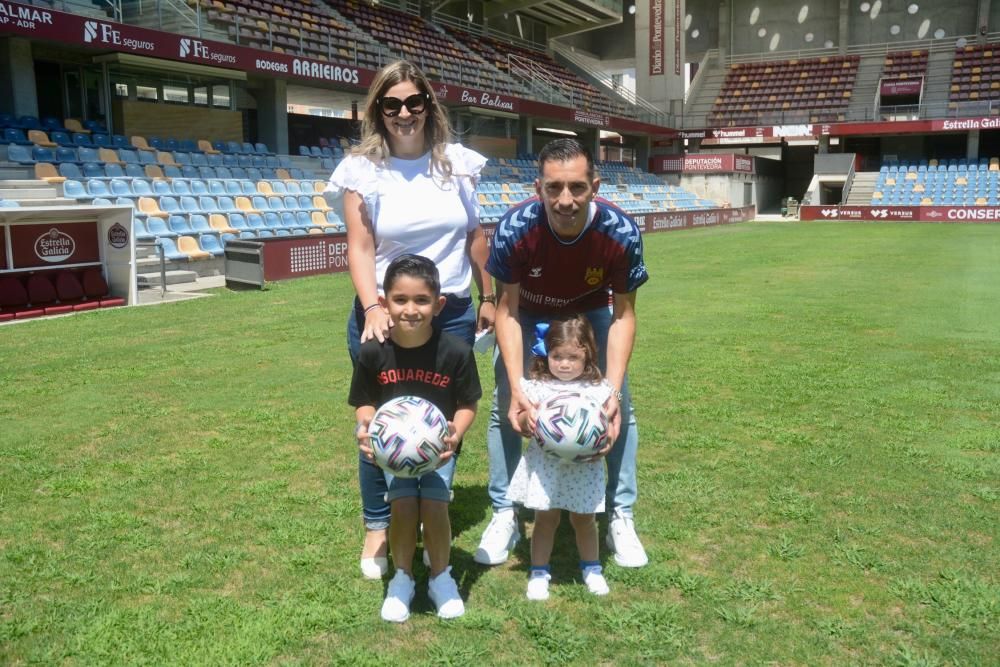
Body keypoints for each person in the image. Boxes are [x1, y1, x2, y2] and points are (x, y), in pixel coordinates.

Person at [324, 60, 495, 580]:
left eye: (413, 103)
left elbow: (475, 237)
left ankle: (433, 511)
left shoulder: (458, 164)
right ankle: (378, 522)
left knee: (447, 416)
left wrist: (489, 296)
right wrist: (374, 306)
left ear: (428, 106)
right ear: (378, 109)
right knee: (378, 419)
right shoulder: (360, 170)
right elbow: (359, 245)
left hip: (454, 312)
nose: (404, 113)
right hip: (385, 314)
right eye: (391, 104)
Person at [476, 138, 650, 569]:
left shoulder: (621, 231)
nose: (565, 199)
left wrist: (609, 387)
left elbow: (624, 315)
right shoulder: (516, 229)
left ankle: (620, 516)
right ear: (538, 189)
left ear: (595, 185)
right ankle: (505, 513)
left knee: (619, 408)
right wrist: (518, 386)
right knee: (505, 408)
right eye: (554, 188)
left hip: (591, 310)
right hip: (529, 308)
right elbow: (507, 310)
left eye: (576, 187)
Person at [350, 254, 482, 622]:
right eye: (400, 300)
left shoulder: (455, 352)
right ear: (384, 301)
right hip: (394, 455)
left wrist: (455, 433)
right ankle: (402, 578)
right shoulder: (374, 350)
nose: (411, 309)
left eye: (421, 300)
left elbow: (468, 402)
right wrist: (368, 425)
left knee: (436, 507)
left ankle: (441, 577)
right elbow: (363, 401)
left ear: (439, 304)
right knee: (404, 507)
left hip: (439, 452)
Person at [508, 316, 614, 600]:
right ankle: (539, 571)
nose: (564, 364)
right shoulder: (537, 387)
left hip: (584, 468)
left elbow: (611, 423)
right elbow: (518, 418)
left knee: (584, 520)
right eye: (557, 356)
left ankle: (591, 568)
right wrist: (526, 417)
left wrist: (607, 440)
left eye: (572, 357)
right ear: (546, 354)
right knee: (545, 519)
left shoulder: (597, 389)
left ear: (588, 356)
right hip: (547, 468)